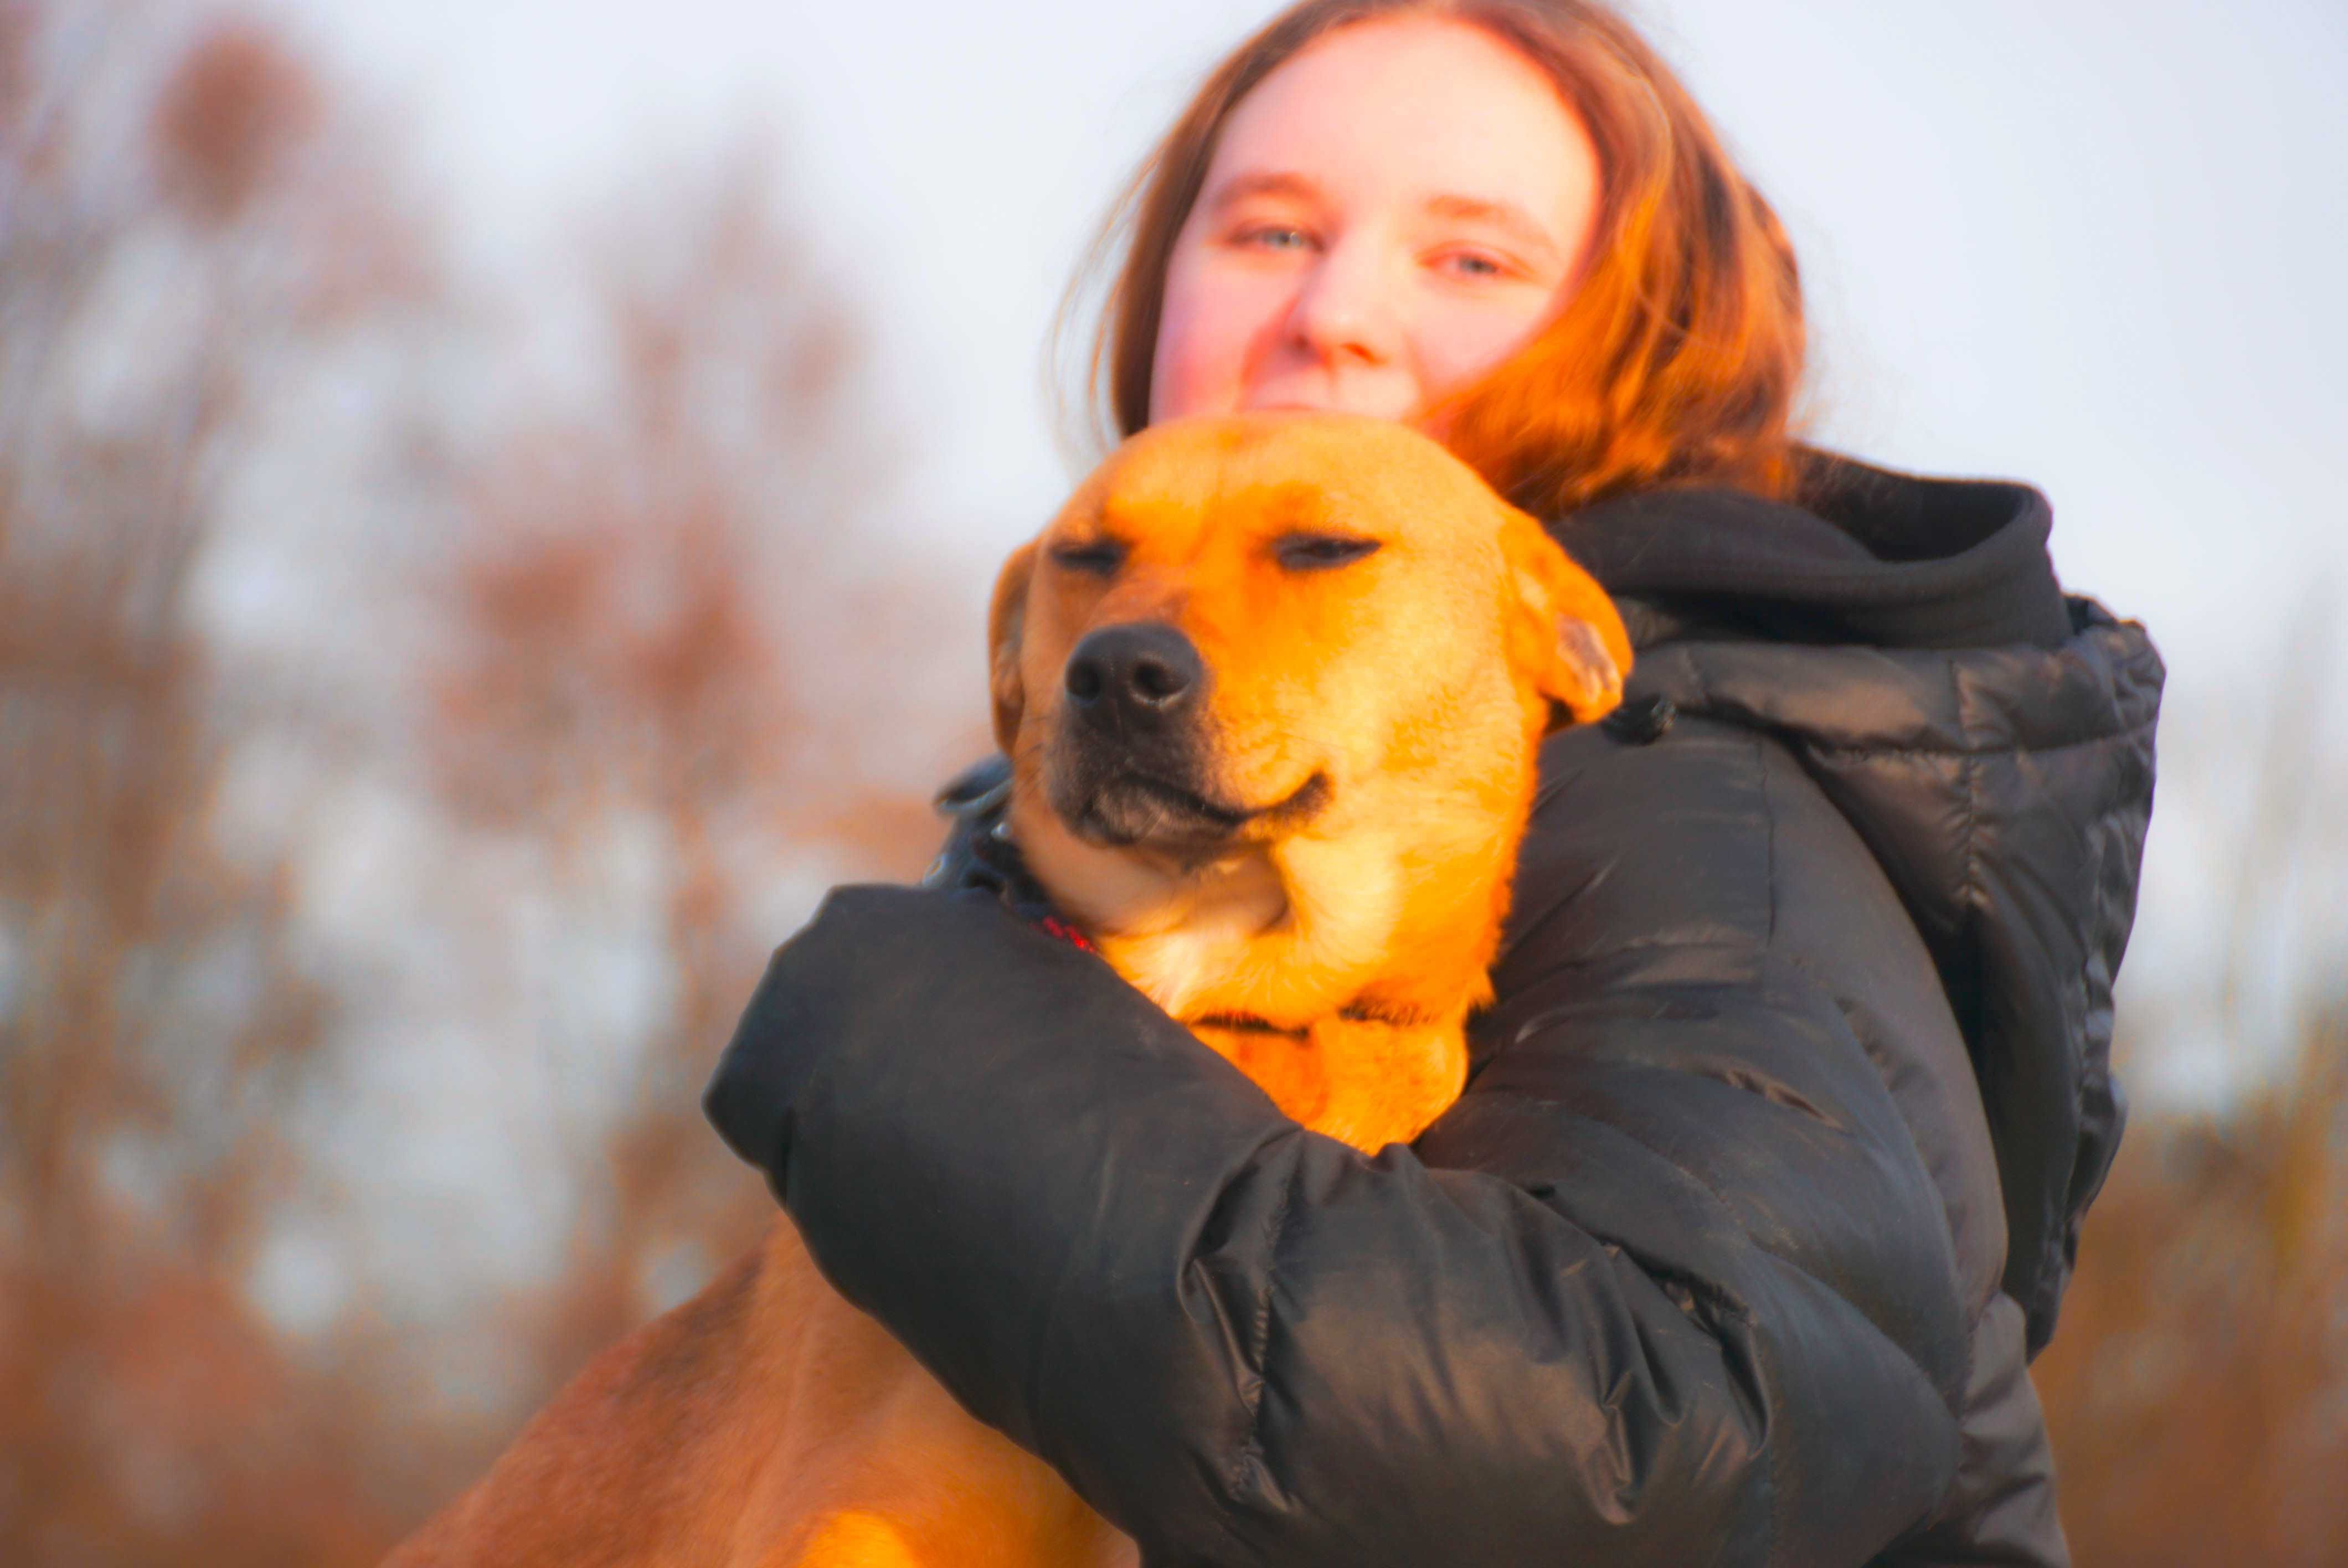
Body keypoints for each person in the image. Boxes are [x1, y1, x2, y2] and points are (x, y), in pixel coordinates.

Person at [704, 3, 2161, 1564]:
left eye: (1471, 257)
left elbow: (1651, 1426)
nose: (1334, 313)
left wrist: (905, 1038)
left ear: (1649, 347)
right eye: (1268, 230)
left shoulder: (1686, 798)